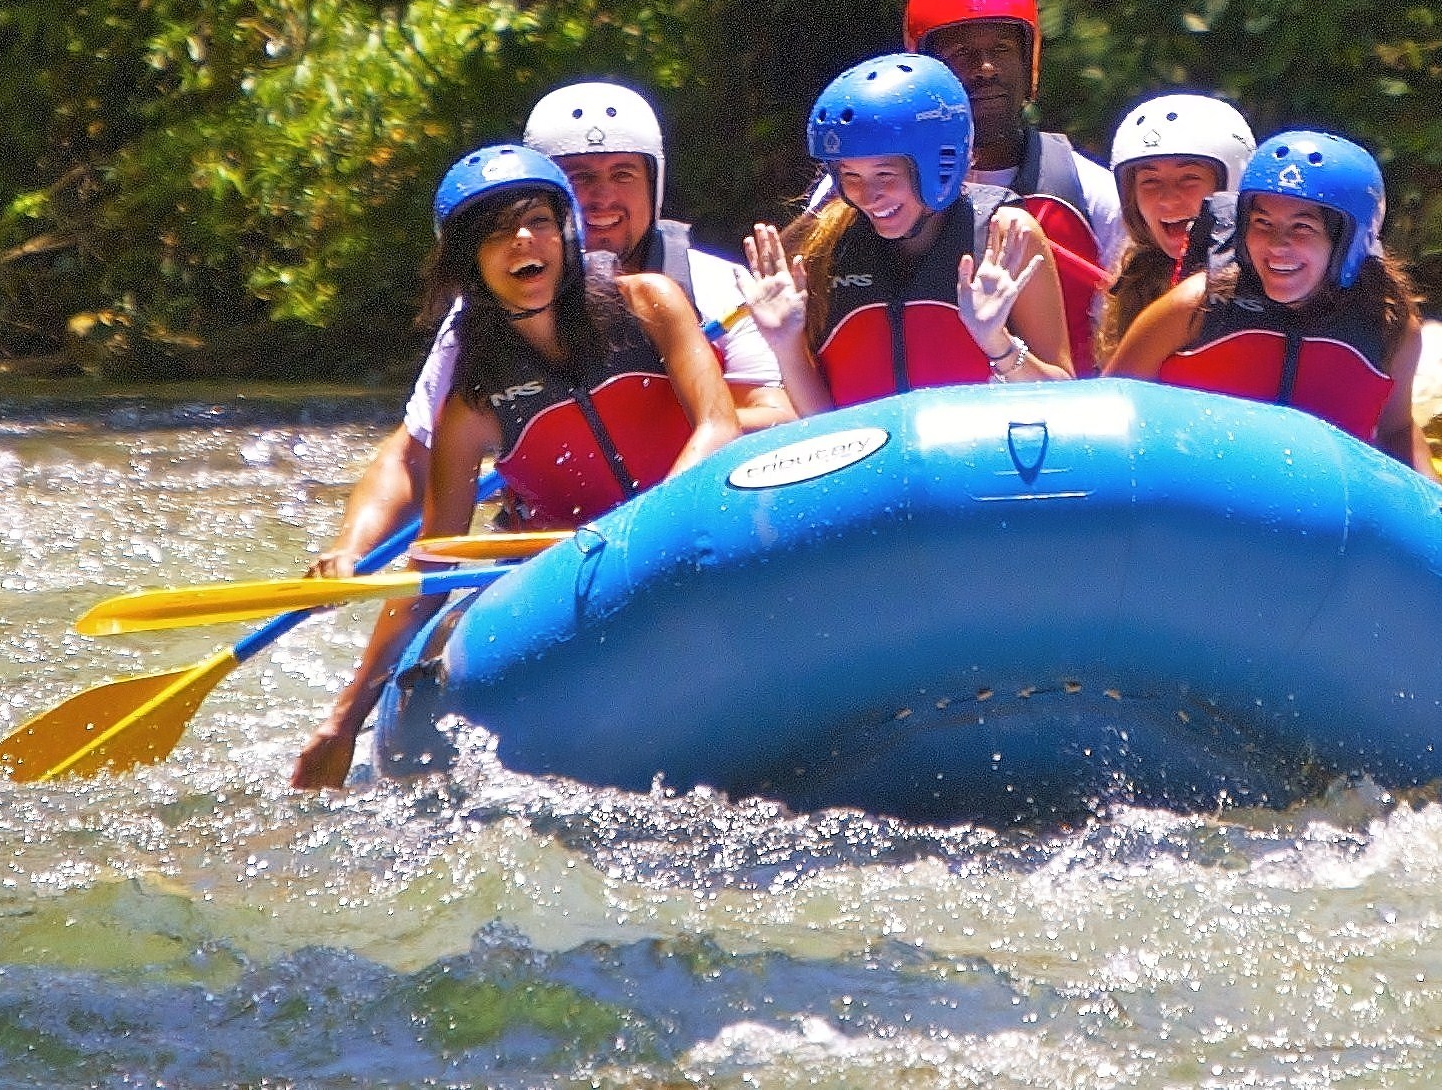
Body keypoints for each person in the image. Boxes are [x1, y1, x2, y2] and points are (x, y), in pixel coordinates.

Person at [293, 145, 738, 788]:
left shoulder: (650, 304)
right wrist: (342, 719)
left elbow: (719, 424)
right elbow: (436, 560)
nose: (523, 240)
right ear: (469, 264)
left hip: (682, 533)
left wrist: (653, 529)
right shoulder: (471, 404)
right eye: (497, 232)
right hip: (565, 575)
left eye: (538, 221)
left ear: (567, 233)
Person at [307, 81, 787, 580]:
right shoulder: (481, 321)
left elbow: (778, 416)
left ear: (654, 184)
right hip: (562, 549)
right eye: (580, 178)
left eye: (623, 174)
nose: (601, 198)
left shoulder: (715, 286)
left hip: (692, 518)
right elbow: (414, 457)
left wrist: (643, 423)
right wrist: (350, 547)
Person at [736, 53, 1073, 414]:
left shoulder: (1005, 235)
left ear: (940, 164)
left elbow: (1065, 401)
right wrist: (787, 347)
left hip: (985, 468)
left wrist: (998, 343)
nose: (867, 196)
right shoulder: (826, 250)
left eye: (885, 174)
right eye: (850, 176)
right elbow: (824, 428)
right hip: (878, 470)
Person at [1103, 129, 1430, 471]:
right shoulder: (1193, 306)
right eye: (1262, 223)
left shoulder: (1391, 327)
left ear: (1348, 243)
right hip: (1190, 508)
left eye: (1302, 227)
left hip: (1322, 516)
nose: (1277, 245)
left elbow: (1397, 429)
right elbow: (1106, 404)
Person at [1094, 93, 1255, 364]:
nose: (1167, 199)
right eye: (1150, 181)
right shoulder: (1133, 282)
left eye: (1189, 178)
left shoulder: (1269, 284)